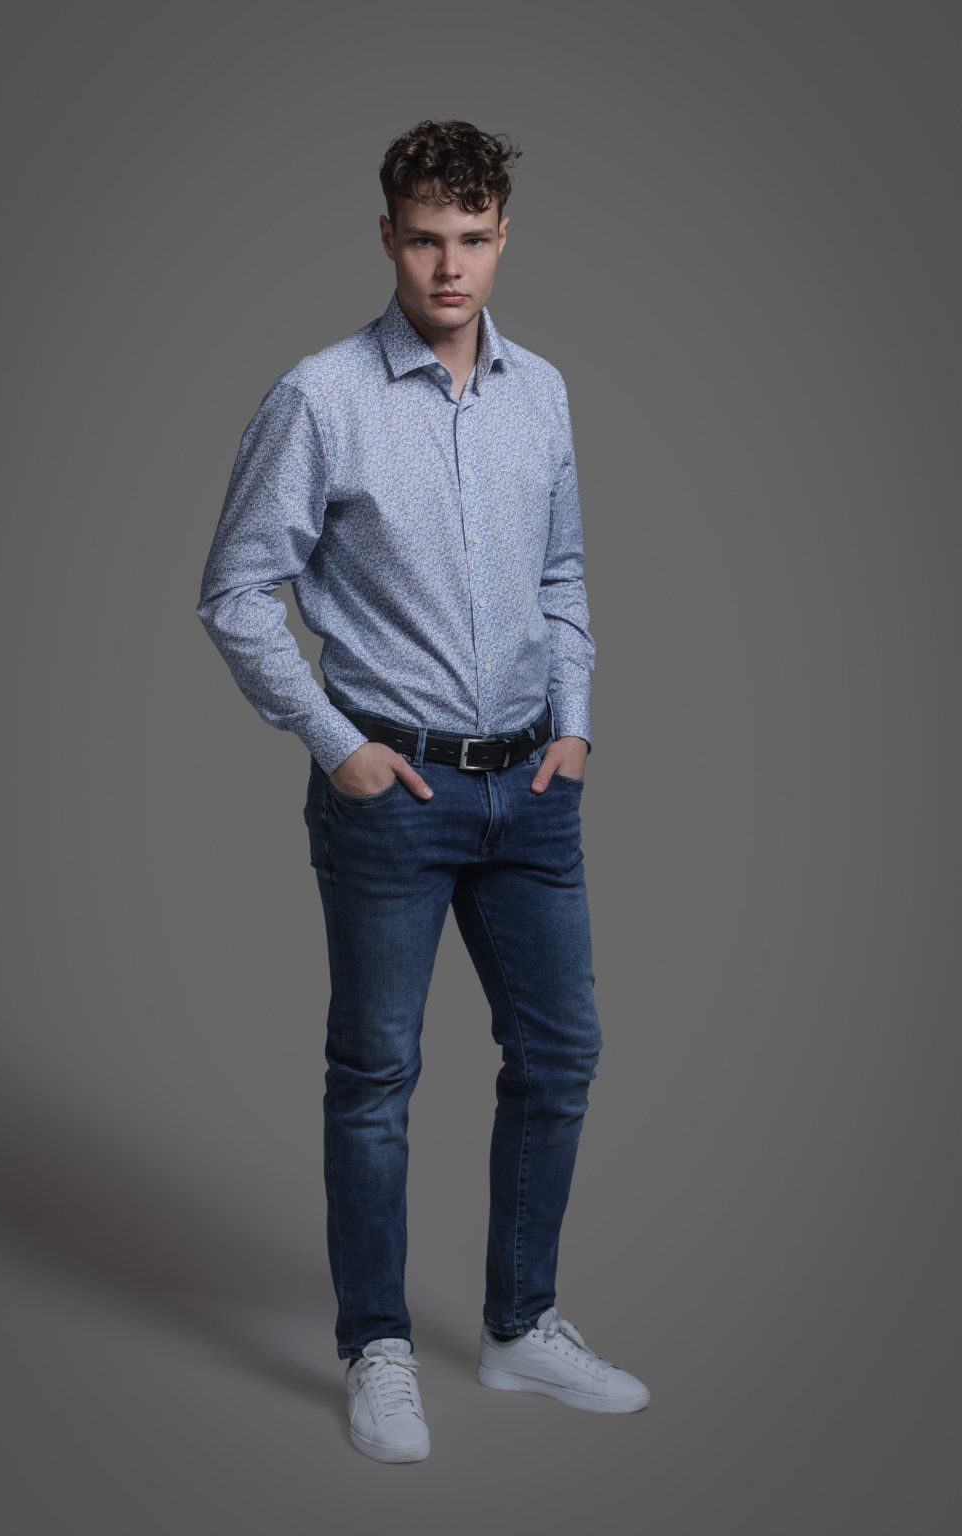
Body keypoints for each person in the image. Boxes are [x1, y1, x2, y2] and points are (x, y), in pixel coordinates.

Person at [196, 118, 650, 1462]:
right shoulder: (321, 397)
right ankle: (377, 1349)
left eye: (473, 239)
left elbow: (563, 574)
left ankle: (520, 1327)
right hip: (390, 794)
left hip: (533, 792)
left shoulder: (541, 391)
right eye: (424, 239)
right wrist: (334, 742)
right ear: (386, 238)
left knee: (560, 1055)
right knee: (376, 1078)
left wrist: (576, 726)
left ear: (504, 237)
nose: (450, 267)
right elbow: (236, 593)